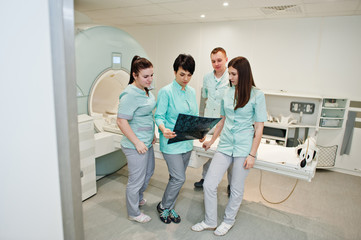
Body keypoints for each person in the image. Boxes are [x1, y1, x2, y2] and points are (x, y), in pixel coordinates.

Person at [191, 56, 267, 236]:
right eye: (230, 74)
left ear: (244, 74)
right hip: (225, 144)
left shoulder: (257, 95)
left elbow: (259, 127)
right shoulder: (227, 92)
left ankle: (228, 220)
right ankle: (210, 221)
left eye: (233, 74)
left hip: (243, 147)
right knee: (209, 184)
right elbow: (222, 120)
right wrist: (211, 140)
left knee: (236, 188)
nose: (230, 77)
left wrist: (252, 154)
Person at [154, 54, 199, 224]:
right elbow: (158, 116)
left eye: (189, 75)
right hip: (171, 141)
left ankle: (170, 207)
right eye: (182, 74)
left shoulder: (192, 91)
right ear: (174, 72)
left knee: (175, 178)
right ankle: (164, 206)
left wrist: (200, 130)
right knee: (180, 178)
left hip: (187, 142)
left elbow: (193, 115)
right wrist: (163, 129)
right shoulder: (166, 92)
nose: (186, 78)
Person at [117, 56, 156, 223]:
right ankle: (133, 212)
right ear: (135, 75)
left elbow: (146, 114)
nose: (150, 79)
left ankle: (139, 198)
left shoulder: (146, 89)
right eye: (145, 76)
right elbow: (121, 120)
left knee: (148, 173)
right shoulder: (130, 94)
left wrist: (151, 134)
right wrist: (137, 142)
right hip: (135, 145)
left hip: (146, 141)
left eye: (152, 75)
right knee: (136, 180)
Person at [194, 47, 232, 193]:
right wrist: (200, 122)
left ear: (226, 59)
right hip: (209, 120)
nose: (216, 63)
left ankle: (230, 184)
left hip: (226, 121)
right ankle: (205, 178)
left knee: (227, 153)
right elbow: (204, 99)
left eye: (219, 60)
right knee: (207, 150)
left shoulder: (231, 78)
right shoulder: (207, 78)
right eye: (213, 61)